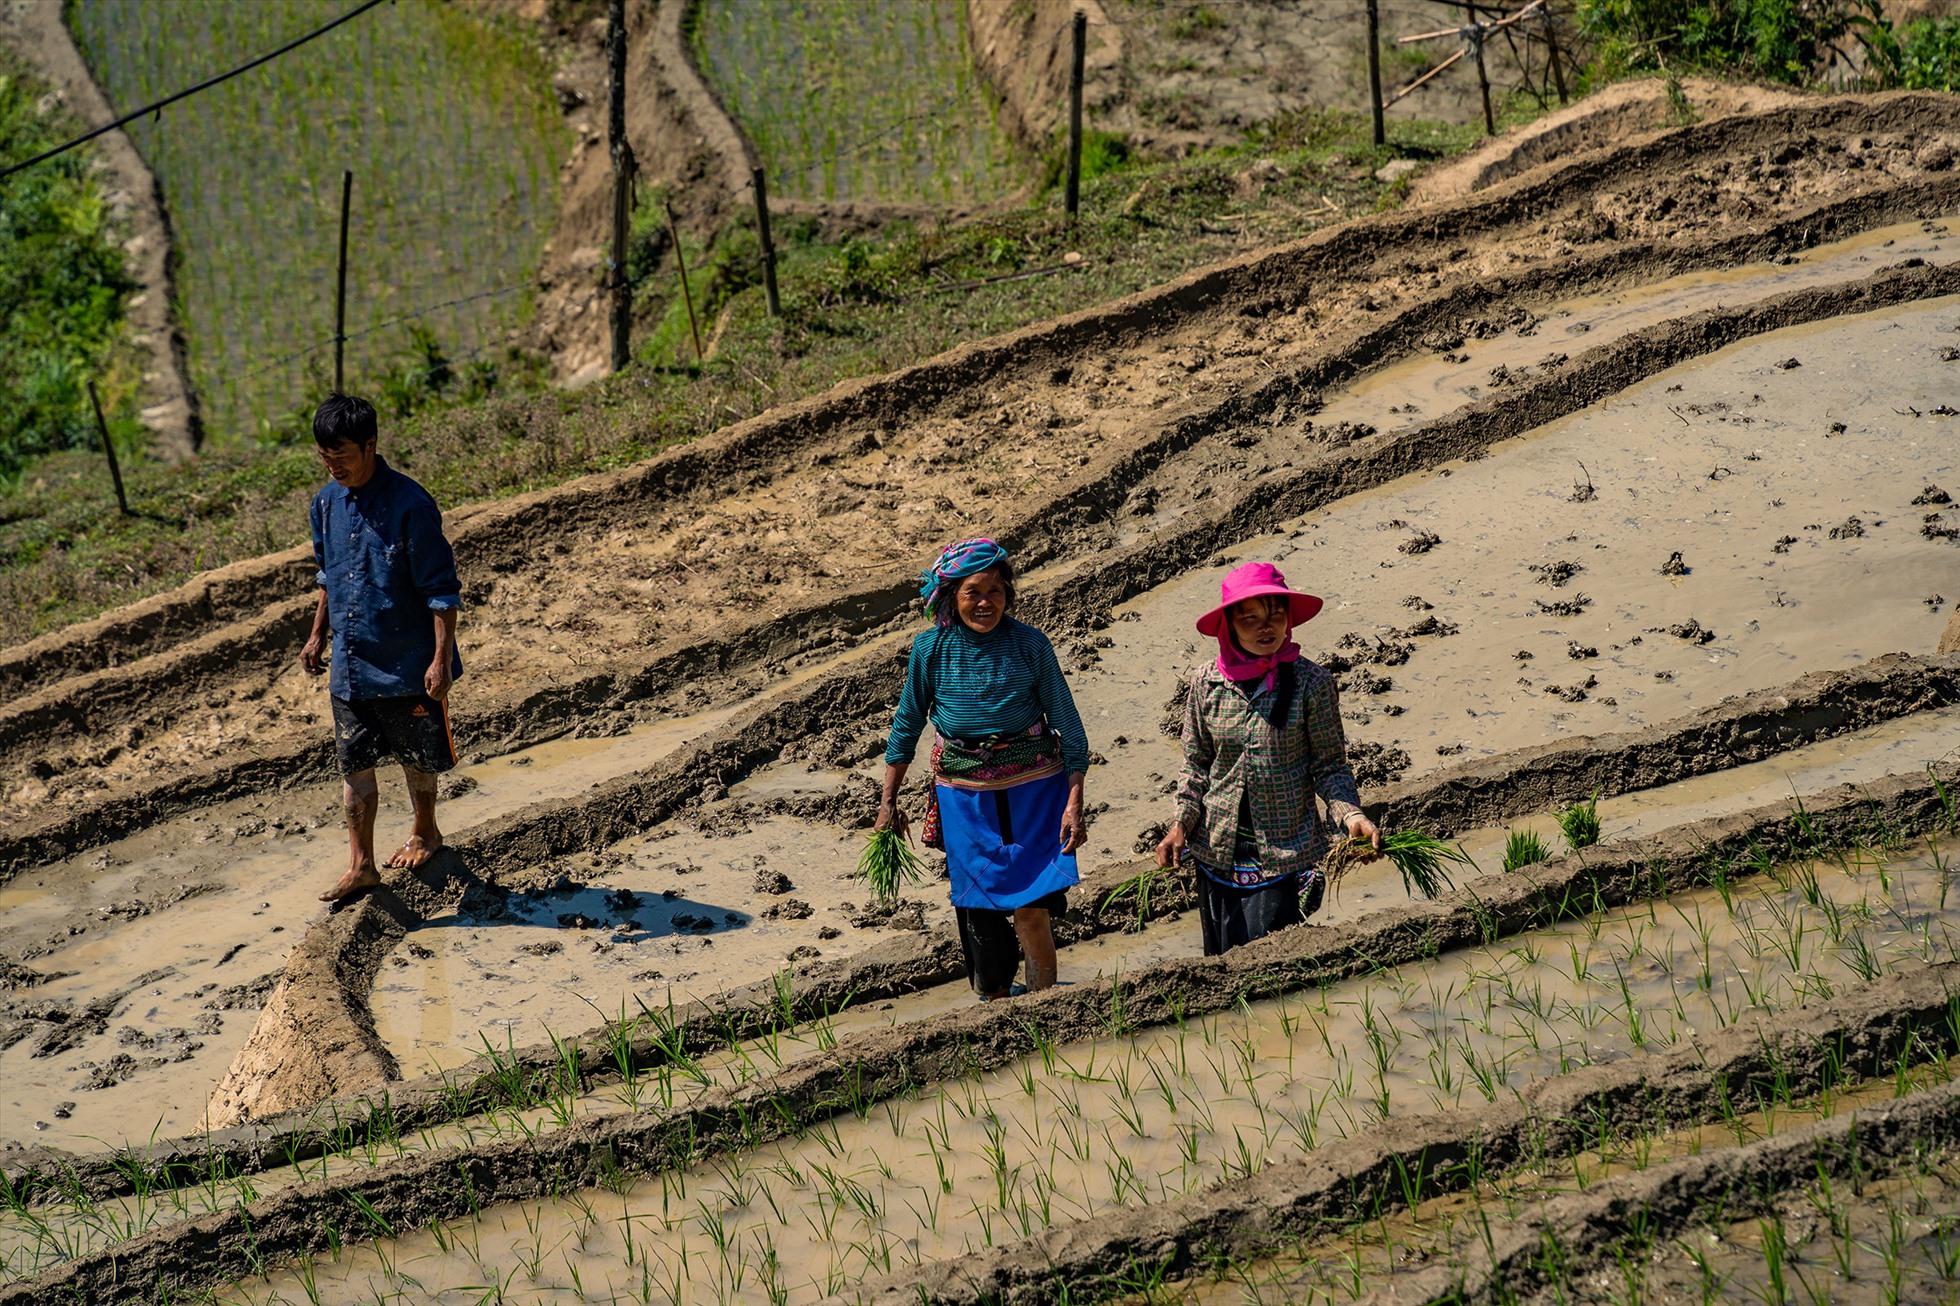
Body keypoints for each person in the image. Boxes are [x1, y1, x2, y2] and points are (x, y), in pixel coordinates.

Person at [879, 539, 1089, 999]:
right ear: (951, 595)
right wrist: (888, 800)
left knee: (1033, 905)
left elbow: (1069, 727)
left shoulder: (1030, 644)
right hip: (966, 795)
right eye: (973, 592)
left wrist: (1074, 803)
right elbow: (906, 725)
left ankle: (1044, 1003)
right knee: (981, 906)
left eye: (996, 591)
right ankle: (993, 1002)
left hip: (1035, 788)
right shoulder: (930, 649)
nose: (985, 602)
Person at [1156, 562, 1381, 956]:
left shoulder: (1312, 683)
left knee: (1273, 971)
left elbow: (1329, 766)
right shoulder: (1206, 683)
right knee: (1224, 968)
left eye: (1275, 615)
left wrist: (1352, 816)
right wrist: (1180, 825)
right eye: (1251, 619)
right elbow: (1195, 766)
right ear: (1230, 625)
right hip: (1216, 851)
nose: (1266, 628)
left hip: (1284, 852)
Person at [300, 393, 464, 903]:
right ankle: (361, 865)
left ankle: (425, 833)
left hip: (408, 664)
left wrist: (439, 660)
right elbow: (327, 574)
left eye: (342, 455)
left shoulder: (411, 505)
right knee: (355, 764)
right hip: (350, 665)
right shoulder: (326, 504)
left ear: (370, 445)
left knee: (416, 758)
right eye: (325, 457)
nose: (334, 466)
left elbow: (441, 591)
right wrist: (316, 632)